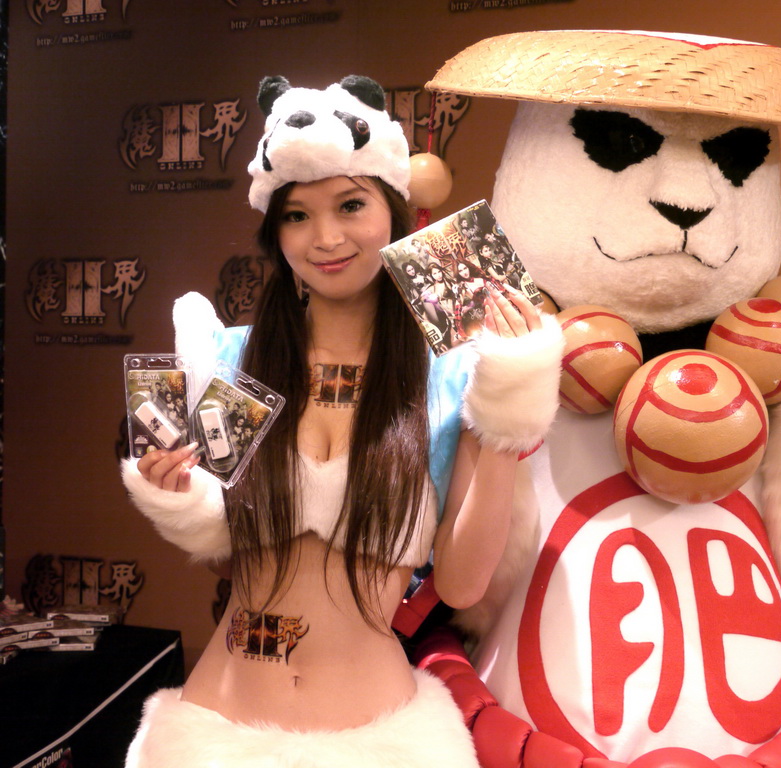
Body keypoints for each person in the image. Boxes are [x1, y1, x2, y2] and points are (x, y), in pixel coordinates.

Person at [119, 74, 564, 767]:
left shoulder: (451, 375)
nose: (325, 238)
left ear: (392, 209)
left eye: (351, 205)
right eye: (297, 215)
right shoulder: (239, 360)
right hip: (211, 734)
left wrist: (510, 401)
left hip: (381, 742)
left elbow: (461, 585)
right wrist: (176, 492)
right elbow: (220, 543)